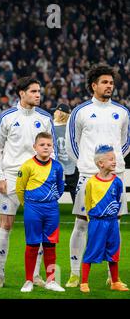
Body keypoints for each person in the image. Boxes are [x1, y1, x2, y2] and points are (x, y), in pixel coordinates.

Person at [65, 64, 130, 288]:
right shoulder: (80, 111)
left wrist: (112, 164)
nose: (109, 86)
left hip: (116, 176)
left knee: (115, 223)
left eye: (111, 82)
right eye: (104, 82)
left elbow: (126, 142)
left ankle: (113, 277)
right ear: (94, 85)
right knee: (81, 223)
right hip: (88, 175)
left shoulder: (122, 112)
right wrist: (88, 164)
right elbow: (72, 144)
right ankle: (75, 274)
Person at [0, 76, 57, 288]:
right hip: (10, 177)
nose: (38, 95)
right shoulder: (7, 116)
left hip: (37, 179)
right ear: (22, 93)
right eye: (34, 91)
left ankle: (35, 275)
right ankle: (0, 275)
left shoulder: (45, 118)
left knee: (37, 228)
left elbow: (52, 149)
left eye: (39, 91)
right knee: (6, 224)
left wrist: (49, 177)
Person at [16, 132, 65, 293]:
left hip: (51, 209)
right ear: (35, 147)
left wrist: (50, 200)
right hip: (33, 209)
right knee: (32, 245)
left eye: (49, 145)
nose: (45, 147)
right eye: (42, 144)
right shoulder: (27, 165)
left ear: (52, 147)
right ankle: (29, 280)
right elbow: (20, 188)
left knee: (50, 245)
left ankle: (51, 281)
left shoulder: (57, 166)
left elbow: (60, 187)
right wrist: (28, 205)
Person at [80, 145, 128, 293]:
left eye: (115, 159)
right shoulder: (92, 182)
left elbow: (118, 200)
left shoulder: (117, 182)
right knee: (91, 250)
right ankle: (84, 282)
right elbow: (88, 203)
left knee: (114, 252)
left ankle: (114, 281)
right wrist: (92, 220)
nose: (114, 162)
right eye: (111, 159)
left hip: (112, 222)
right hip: (97, 223)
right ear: (101, 163)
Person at [53, 103, 78, 202]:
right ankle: (80, 216)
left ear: (59, 113)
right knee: (76, 193)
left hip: (56, 165)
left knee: (52, 192)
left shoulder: (51, 127)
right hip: (73, 165)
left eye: (56, 111)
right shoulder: (73, 128)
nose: (54, 113)